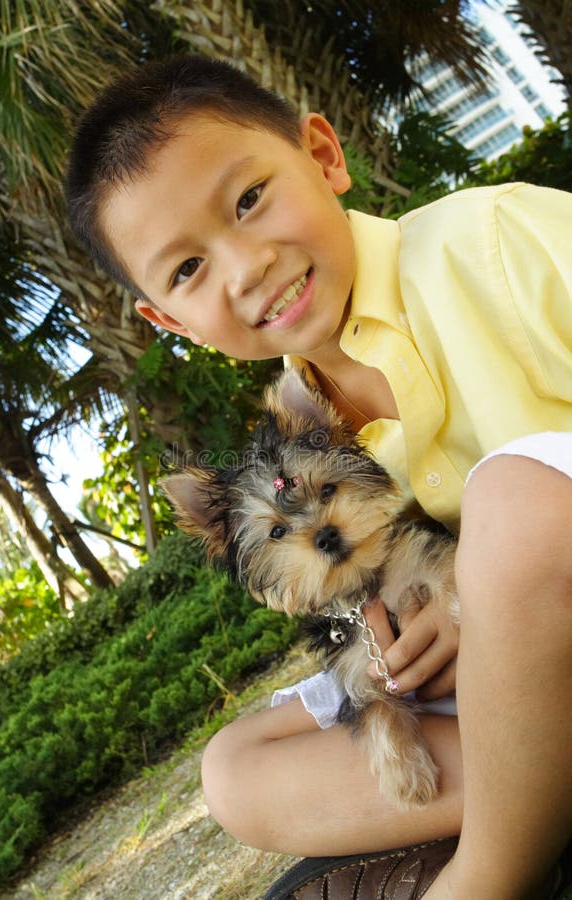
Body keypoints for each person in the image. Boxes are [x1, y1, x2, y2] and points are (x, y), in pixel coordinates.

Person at [65, 54, 572, 899]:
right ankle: (537, 784)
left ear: (324, 154)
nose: (246, 266)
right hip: (521, 686)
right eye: (187, 270)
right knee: (232, 768)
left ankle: (489, 870)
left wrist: (490, 592)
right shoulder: (302, 427)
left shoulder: (491, 241)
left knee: (511, 499)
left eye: (249, 199)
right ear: (167, 321)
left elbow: (523, 549)